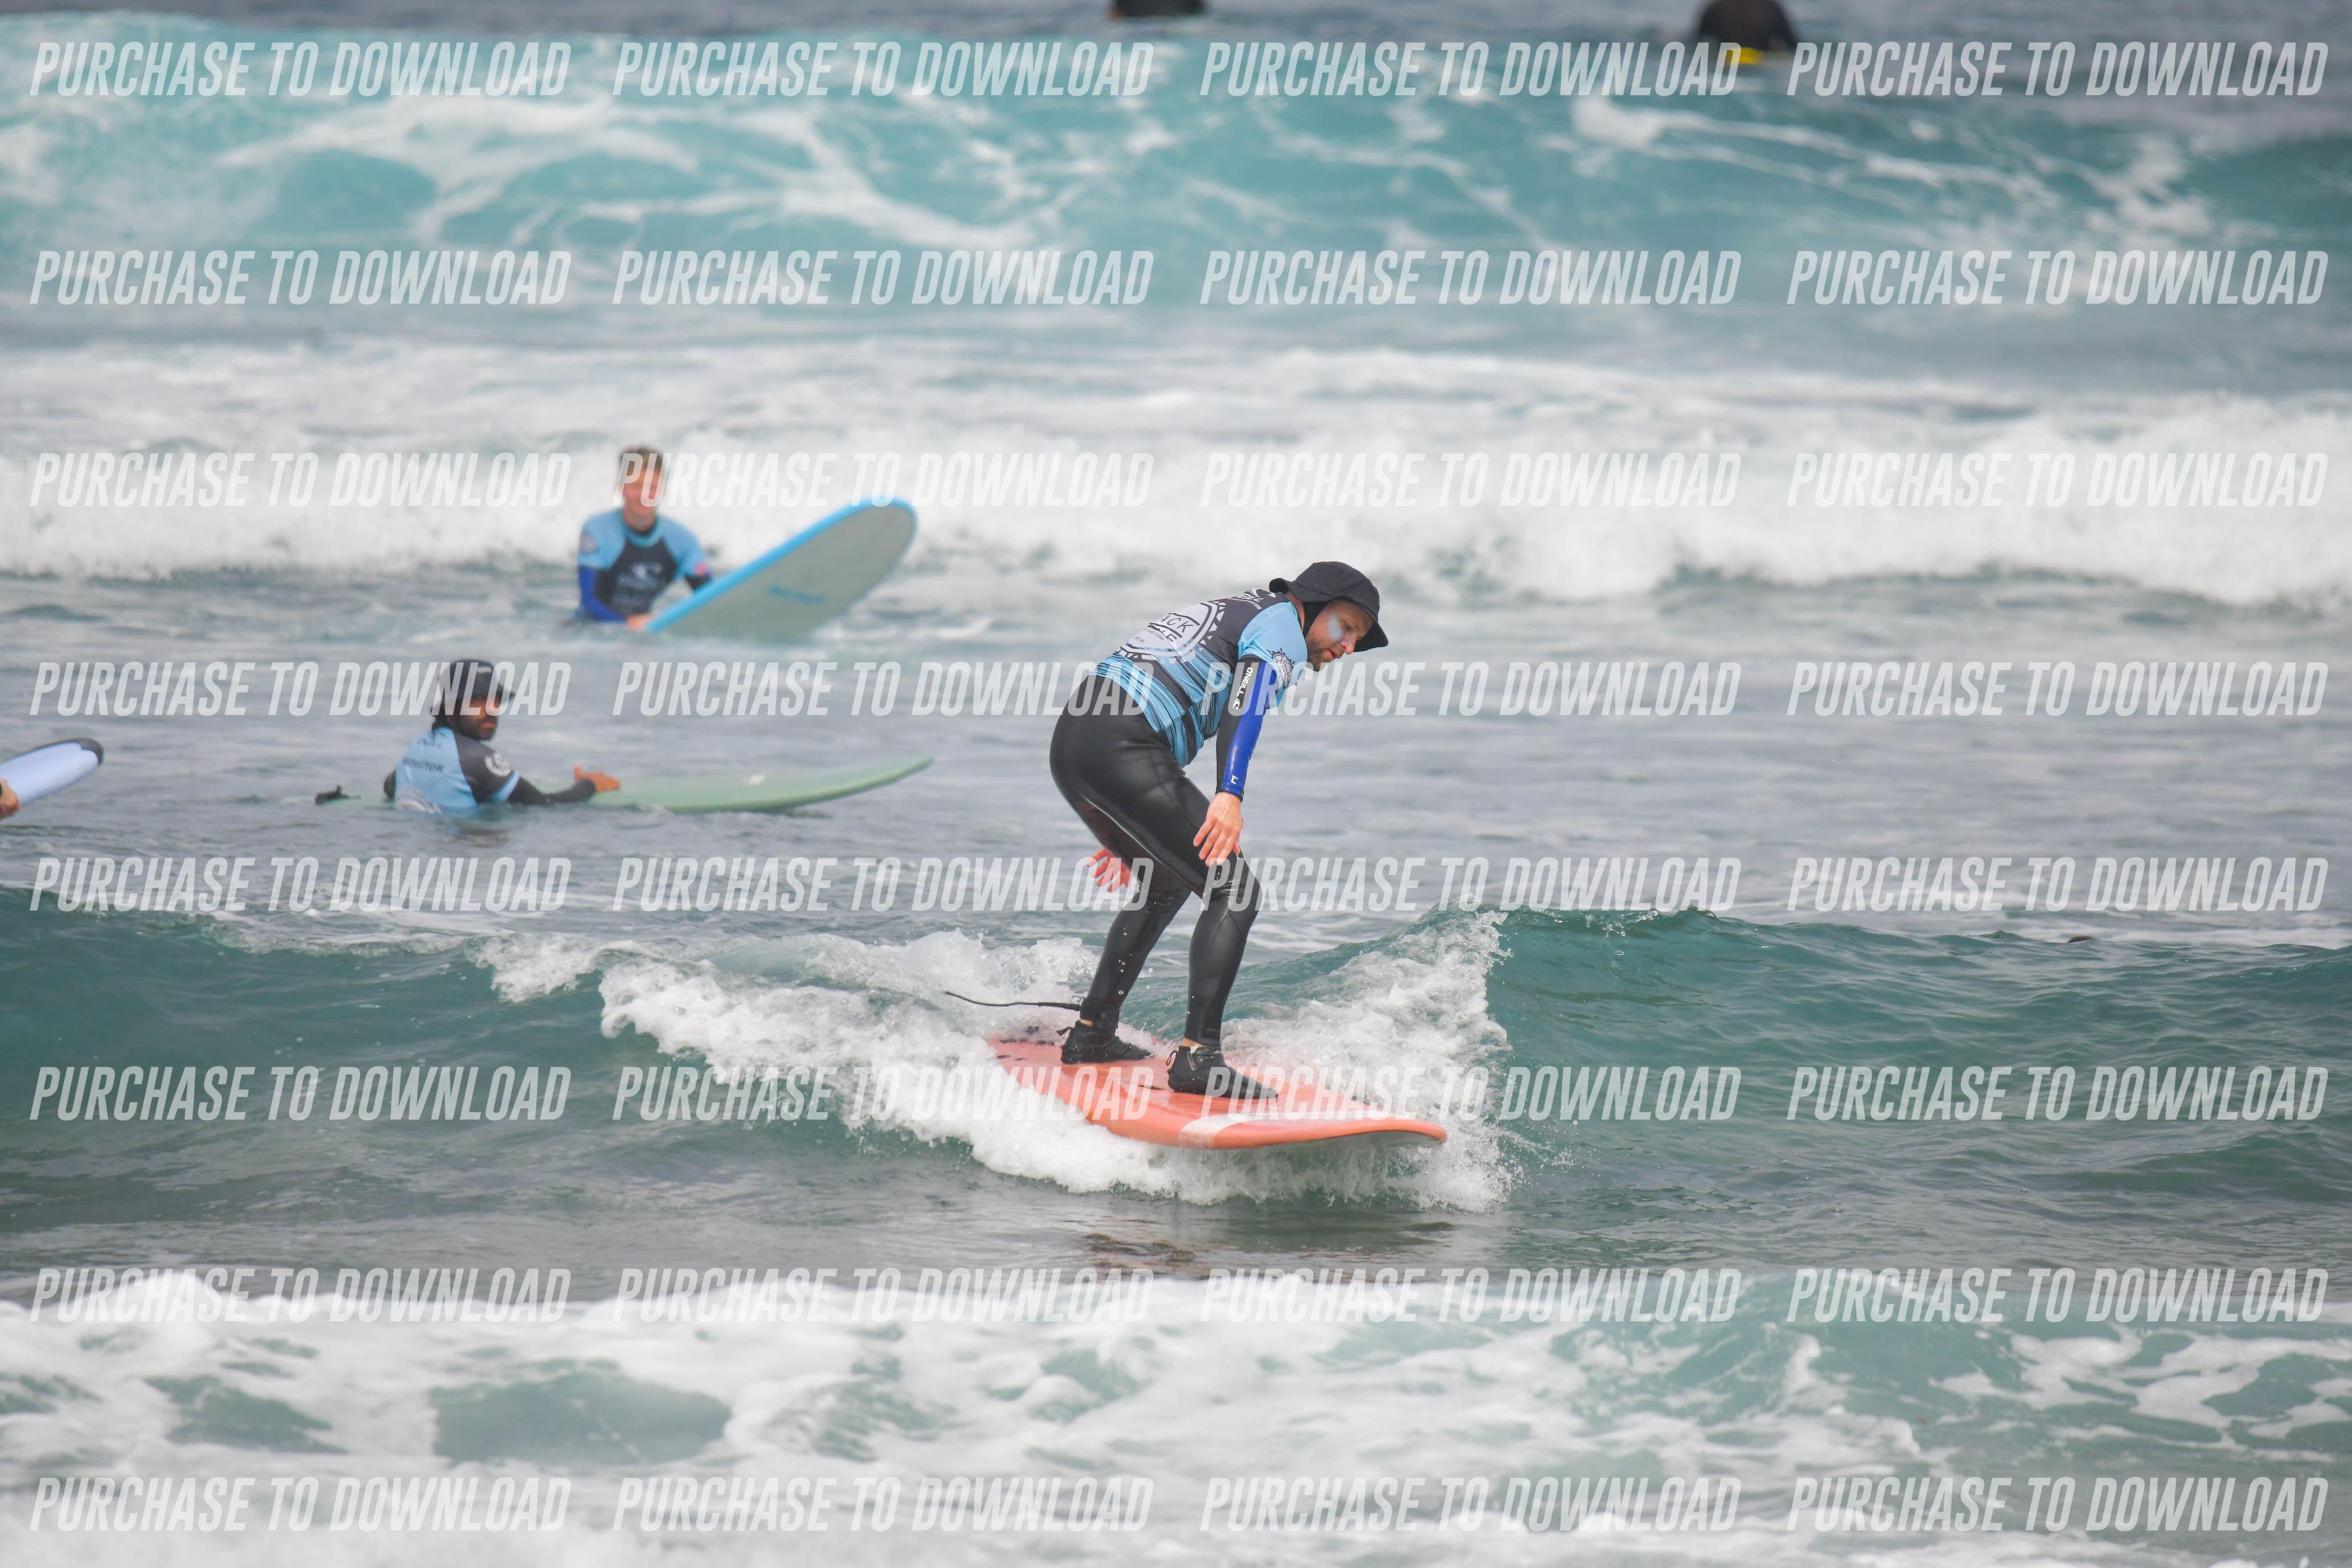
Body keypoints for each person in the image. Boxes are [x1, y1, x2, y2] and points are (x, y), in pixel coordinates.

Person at [1050, 562, 1387, 1097]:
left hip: (1078, 743)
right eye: (1345, 627)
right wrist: (1229, 794)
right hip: (1123, 743)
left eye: (1357, 640)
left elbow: (1156, 688)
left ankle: (1092, 1033)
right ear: (1313, 603)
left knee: (1166, 883)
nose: (1347, 647)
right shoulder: (1282, 626)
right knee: (1236, 890)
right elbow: (1245, 706)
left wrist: (1132, 817)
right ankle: (1199, 1058)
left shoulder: (1244, 612)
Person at [385, 659, 618, 815]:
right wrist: (589, 785)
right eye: (477, 700)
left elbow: (390, 787)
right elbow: (544, 807)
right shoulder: (476, 760)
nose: (492, 709)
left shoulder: (417, 747)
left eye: (495, 699)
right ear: (449, 708)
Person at [577, 446, 713, 628]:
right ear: (621, 488)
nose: (645, 496)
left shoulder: (683, 541)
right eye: (637, 487)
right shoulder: (598, 530)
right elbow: (591, 600)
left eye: (652, 487)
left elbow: (711, 598)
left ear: (662, 489)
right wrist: (628, 624)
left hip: (643, 635)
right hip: (588, 633)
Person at [1694, 0, 1798, 56]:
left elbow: (1695, 46)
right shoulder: (1772, 10)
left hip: (1727, 66)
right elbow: (1794, 48)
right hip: (1762, 69)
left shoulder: (1715, 10)